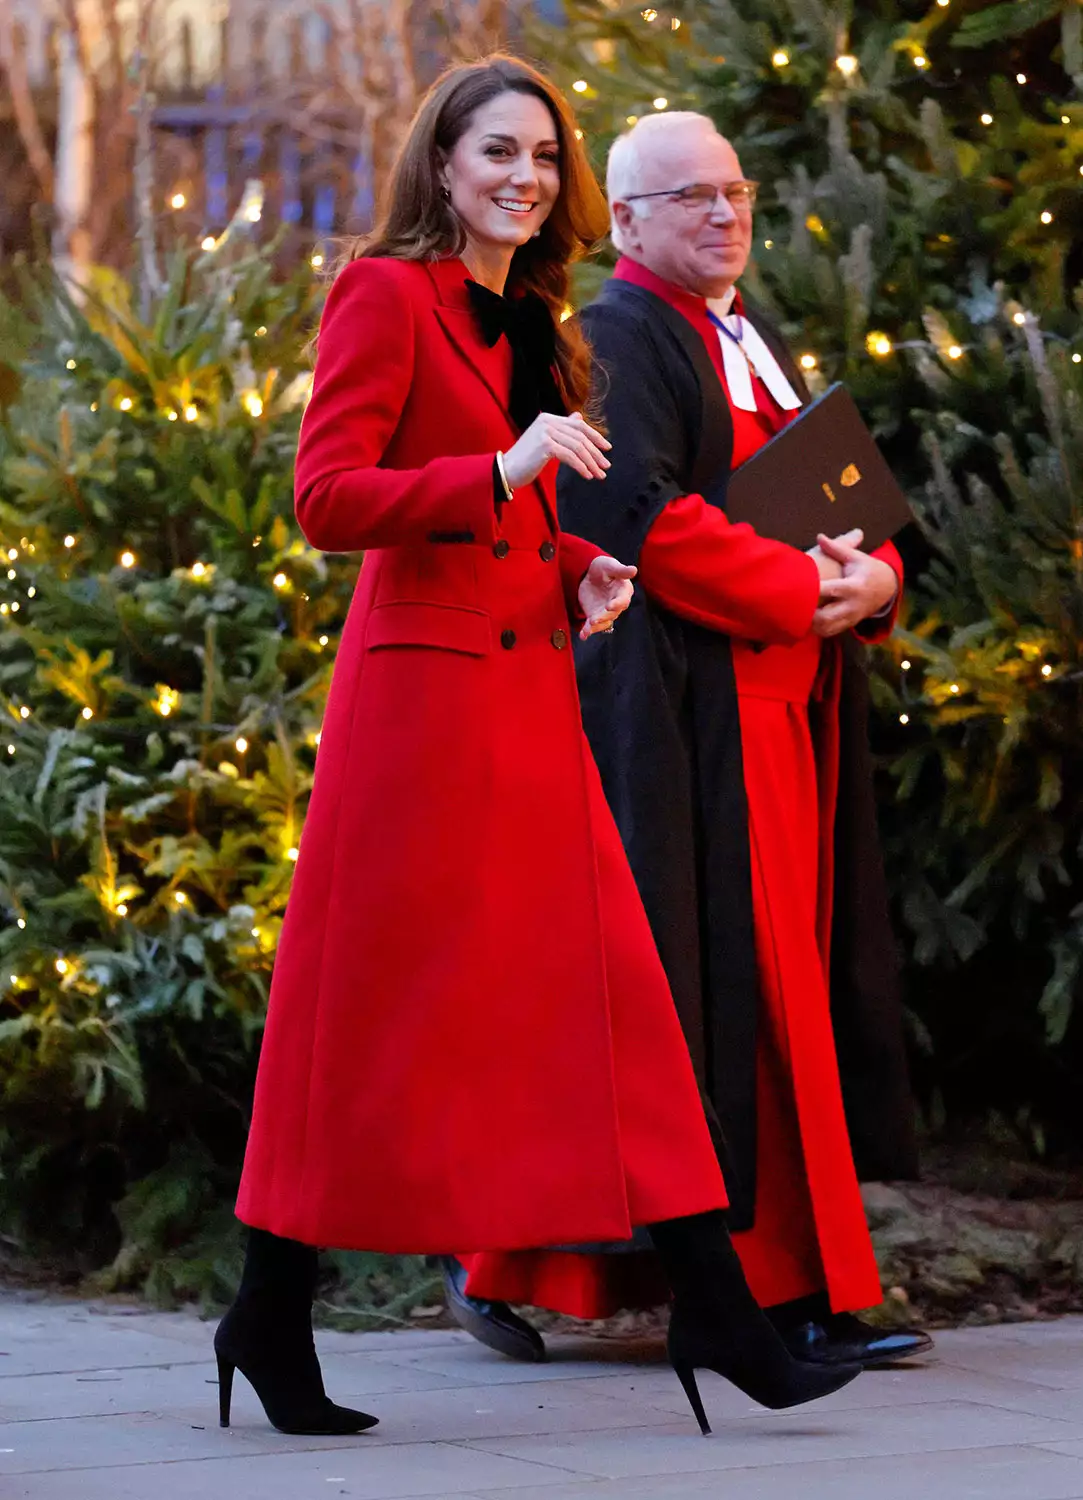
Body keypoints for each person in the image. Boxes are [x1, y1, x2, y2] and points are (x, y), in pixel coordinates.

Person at [216, 63, 861, 1441]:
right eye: (496, 151)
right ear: (442, 166)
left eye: (543, 155)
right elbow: (327, 500)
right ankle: (268, 1311)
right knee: (365, 1019)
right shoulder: (383, 293)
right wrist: (502, 474)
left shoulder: (534, 317)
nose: (523, 176)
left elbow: (520, 521)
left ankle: (713, 1309)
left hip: (525, 705)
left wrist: (574, 567)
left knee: (623, 1002)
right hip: (418, 719)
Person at [447, 111, 932, 1372]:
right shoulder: (615, 337)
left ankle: (534, 1265)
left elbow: (840, 495)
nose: (725, 215)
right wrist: (800, 590)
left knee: (755, 994)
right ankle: (790, 1292)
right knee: (729, 993)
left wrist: (877, 581)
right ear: (628, 218)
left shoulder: (749, 337)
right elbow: (642, 519)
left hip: (788, 716)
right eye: (691, 197)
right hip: (694, 720)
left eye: (737, 192)